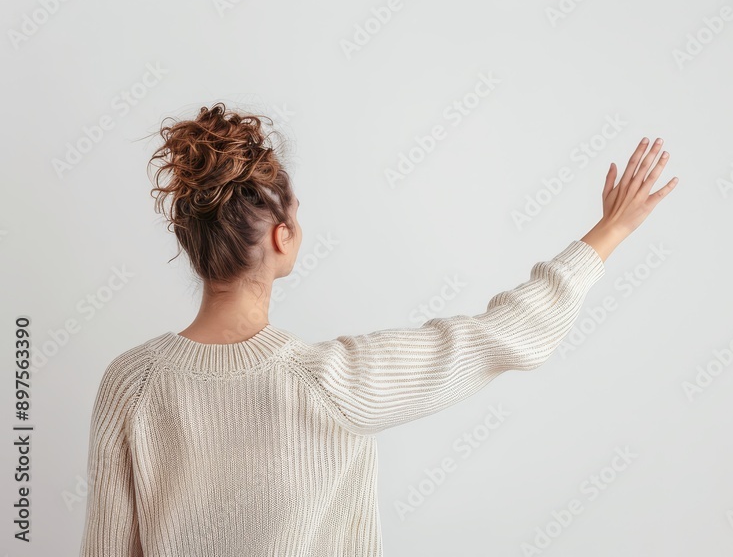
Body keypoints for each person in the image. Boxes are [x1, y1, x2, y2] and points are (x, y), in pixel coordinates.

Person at [78, 102, 679, 556]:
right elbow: (505, 334)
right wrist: (610, 231)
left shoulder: (129, 384)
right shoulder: (332, 382)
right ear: (283, 235)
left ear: (191, 241)